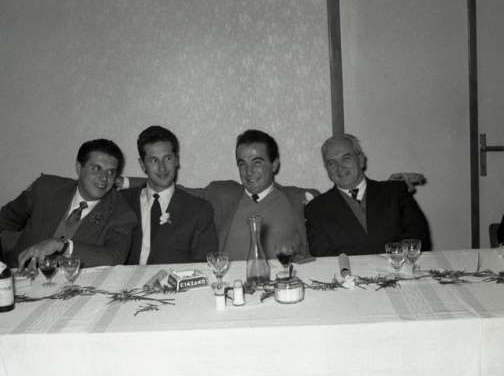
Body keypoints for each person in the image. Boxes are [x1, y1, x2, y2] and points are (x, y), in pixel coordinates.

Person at [0, 139, 137, 268]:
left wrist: (63, 246)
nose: (104, 178)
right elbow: (6, 218)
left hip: (72, 283)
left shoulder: (122, 213)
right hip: (19, 276)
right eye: (96, 168)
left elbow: (114, 257)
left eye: (111, 172)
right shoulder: (45, 189)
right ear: (79, 168)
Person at [305, 133, 431, 256]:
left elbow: (418, 239)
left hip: (399, 268)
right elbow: (323, 256)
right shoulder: (315, 209)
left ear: (361, 160)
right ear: (326, 169)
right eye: (332, 163)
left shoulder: (396, 192)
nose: (340, 167)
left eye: (346, 158)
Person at [202, 129, 319, 260]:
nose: (249, 172)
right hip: (230, 273)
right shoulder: (221, 194)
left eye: (257, 163)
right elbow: (185, 198)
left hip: (280, 273)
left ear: (274, 165)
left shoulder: (298, 199)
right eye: (242, 164)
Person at [121, 126, 218, 264]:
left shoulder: (199, 210)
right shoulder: (122, 201)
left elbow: (204, 264)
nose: (162, 168)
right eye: (154, 160)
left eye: (167, 158)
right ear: (142, 165)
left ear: (176, 160)